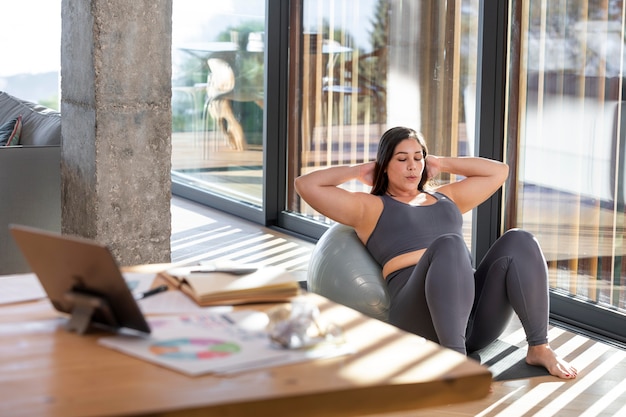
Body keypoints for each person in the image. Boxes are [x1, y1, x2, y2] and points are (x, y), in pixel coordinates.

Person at [295, 126, 577, 379]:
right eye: (401, 159)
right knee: (449, 244)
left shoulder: (447, 198)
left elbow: (499, 171)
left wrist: (440, 163)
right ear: (384, 165)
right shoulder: (369, 207)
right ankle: (454, 360)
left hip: (473, 315)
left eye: (418, 158)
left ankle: (539, 346)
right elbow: (305, 185)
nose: (412, 166)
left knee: (520, 239)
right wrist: (359, 171)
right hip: (417, 314)